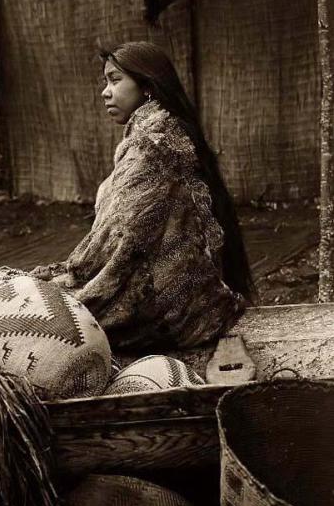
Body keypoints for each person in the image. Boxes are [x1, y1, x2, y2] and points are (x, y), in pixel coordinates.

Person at [33, 40, 254, 354]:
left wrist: (67, 278)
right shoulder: (165, 132)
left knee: (37, 311)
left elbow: (118, 239)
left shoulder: (153, 144)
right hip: (188, 298)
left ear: (147, 86)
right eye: (105, 82)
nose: (105, 92)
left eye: (115, 79)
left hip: (168, 310)